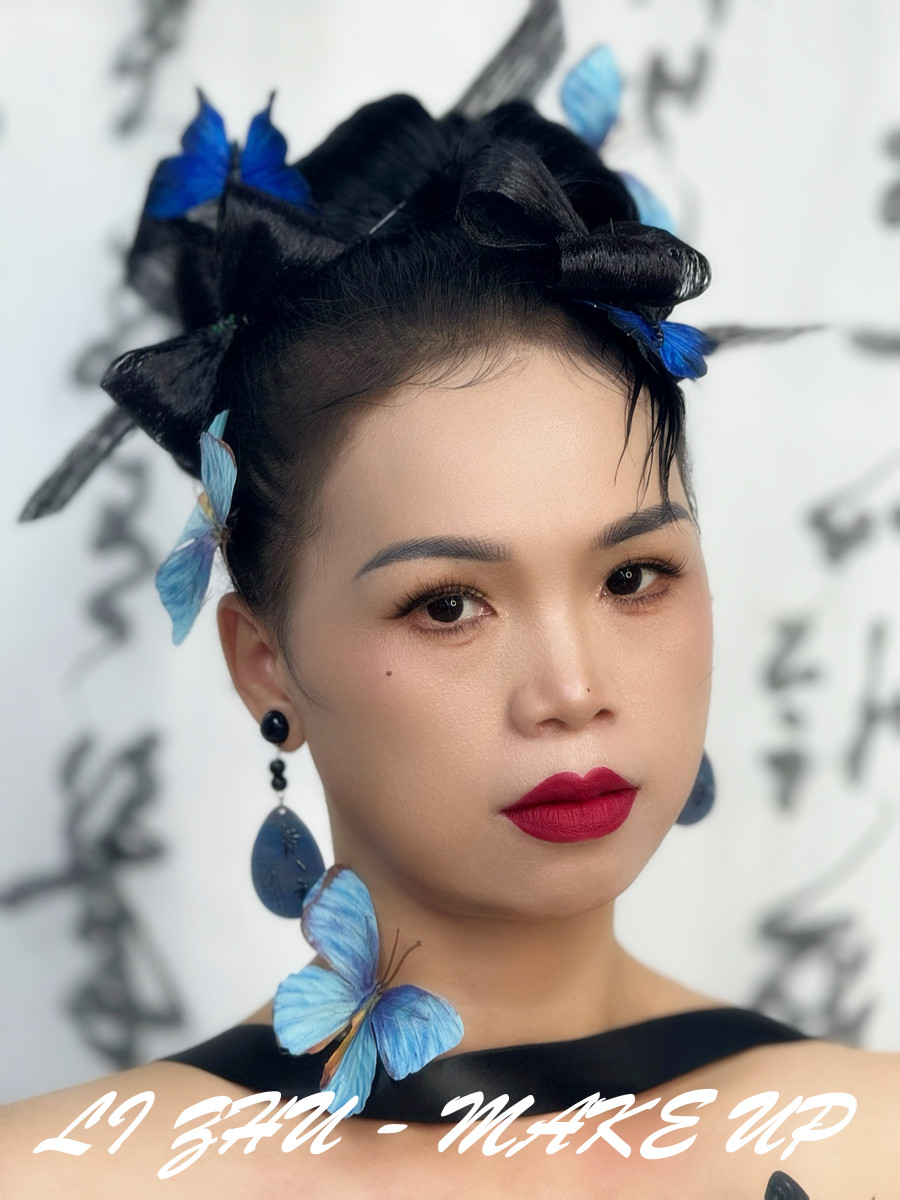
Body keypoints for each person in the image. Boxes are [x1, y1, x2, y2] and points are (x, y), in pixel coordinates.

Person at [2, 86, 897, 1199]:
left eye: (631, 577)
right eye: (447, 605)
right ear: (263, 662)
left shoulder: (872, 1143)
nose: (571, 689)